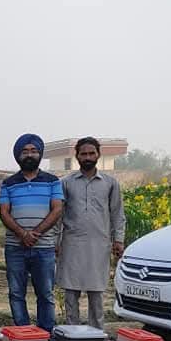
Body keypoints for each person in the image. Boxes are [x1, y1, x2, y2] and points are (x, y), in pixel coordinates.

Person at [57, 137, 126, 330]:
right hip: (71, 245)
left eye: (91, 153)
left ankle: (96, 335)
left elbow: (117, 213)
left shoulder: (110, 183)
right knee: (71, 293)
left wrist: (118, 240)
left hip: (99, 246)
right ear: (77, 156)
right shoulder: (66, 183)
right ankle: (71, 334)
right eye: (83, 154)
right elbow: (58, 215)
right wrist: (56, 242)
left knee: (96, 294)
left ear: (98, 155)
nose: (87, 157)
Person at [0, 134, 64, 336]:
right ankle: (23, 335)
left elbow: (57, 209)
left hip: (44, 247)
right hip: (15, 247)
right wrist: (22, 234)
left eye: (34, 151)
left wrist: (35, 233)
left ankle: (45, 335)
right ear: (18, 155)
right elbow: (4, 212)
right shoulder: (8, 183)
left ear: (40, 154)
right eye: (25, 151)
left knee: (45, 294)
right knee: (16, 293)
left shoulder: (52, 181)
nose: (29, 155)